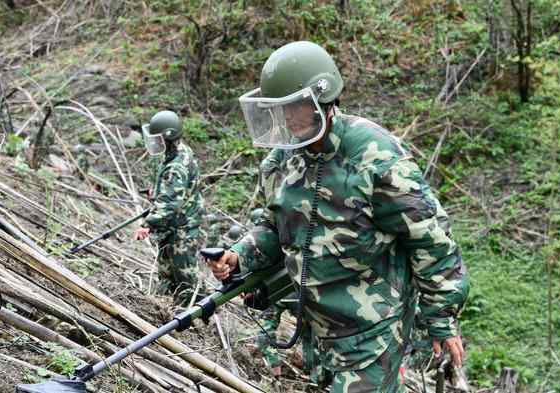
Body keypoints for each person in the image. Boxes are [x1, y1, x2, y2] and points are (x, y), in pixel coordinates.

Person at [209, 41, 469, 393]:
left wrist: (441, 319)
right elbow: (274, 225)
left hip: (372, 332)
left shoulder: (374, 157)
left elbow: (431, 238)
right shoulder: (282, 161)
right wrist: (240, 254)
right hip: (316, 328)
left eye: (295, 107)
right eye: (280, 110)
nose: (287, 119)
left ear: (322, 99)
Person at [134, 110, 205, 306]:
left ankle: (195, 308)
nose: (155, 142)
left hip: (181, 224)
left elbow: (169, 204)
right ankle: (164, 300)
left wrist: (147, 224)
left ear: (167, 137)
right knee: (167, 264)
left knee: (183, 269)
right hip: (181, 220)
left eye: (158, 138)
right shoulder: (182, 151)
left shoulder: (175, 166)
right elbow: (178, 188)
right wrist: (157, 190)